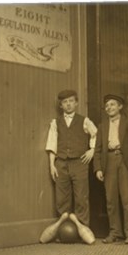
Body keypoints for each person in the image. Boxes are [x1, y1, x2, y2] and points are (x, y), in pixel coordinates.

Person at [45, 89, 97, 235]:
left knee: (81, 196)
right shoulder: (56, 122)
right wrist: (52, 165)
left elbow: (97, 136)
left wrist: (91, 150)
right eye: (65, 102)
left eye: (71, 101)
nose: (68, 105)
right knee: (62, 197)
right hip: (60, 163)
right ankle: (64, 232)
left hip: (79, 163)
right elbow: (52, 144)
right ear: (61, 105)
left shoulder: (84, 121)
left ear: (76, 103)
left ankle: (82, 231)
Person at [93, 94, 128, 244]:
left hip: (124, 162)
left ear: (120, 107)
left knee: (127, 199)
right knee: (111, 200)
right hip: (108, 162)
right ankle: (115, 232)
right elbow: (97, 149)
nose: (109, 108)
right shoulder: (102, 126)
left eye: (112, 104)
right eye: (107, 106)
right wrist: (98, 168)